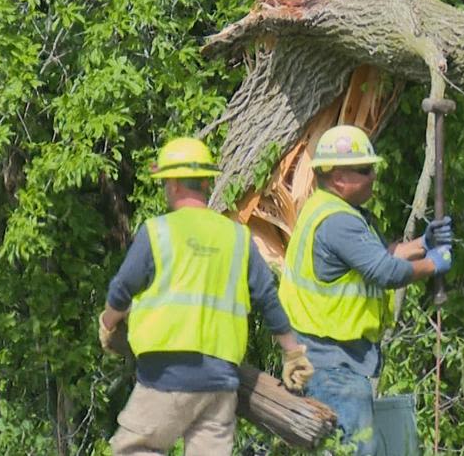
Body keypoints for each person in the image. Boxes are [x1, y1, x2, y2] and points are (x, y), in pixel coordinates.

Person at [98, 137, 314, 455]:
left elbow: (122, 289)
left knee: (136, 448)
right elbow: (267, 298)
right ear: (205, 182)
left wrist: (107, 323)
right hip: (219, 380)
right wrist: (293, 353)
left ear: (171, 184)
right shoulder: (237, 237)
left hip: (165, 375)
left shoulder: (158, 232)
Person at [279, 125, 453, 454]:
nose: (374, 176)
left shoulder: (328, 209)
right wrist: (433, 264)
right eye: (364, 170)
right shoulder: (338, 222)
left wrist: (422, 245)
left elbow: (375, 259)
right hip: (332, 364)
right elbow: (384, 271)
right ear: (337, 176)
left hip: (326, 356)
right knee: (358, 449)